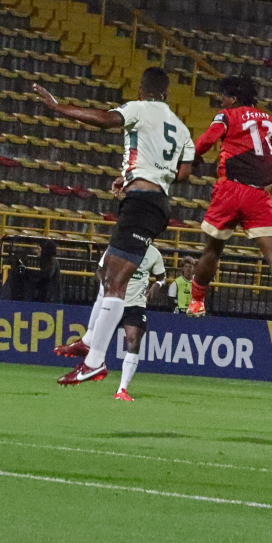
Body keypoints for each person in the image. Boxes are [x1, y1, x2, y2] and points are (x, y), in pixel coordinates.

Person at [33, 67, 193, 386]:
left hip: (143, 205)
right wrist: (141, 174)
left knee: (116, 282)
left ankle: (94, 361)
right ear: (167, 93)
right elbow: (185, 172)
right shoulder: (182, 128)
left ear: (141, 89)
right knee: (107, 270)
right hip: (154, 203)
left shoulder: (138, 108)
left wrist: (58, 106)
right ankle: (90, 339)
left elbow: (105, 119)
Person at [185, 75, 272, 335]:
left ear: (233, 99)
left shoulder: (227, 115)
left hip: (230, 190)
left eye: (223, 96)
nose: (220, 101)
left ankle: (196, 301)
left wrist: (190, 158)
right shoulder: (270, 120)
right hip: (259, 196)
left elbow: (207, 139)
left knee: (212, 248)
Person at [57, 245, 165, 401]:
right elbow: (99, 271)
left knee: (133, 341)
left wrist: (158, 285)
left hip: (136, 305)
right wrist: (108, 287)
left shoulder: (154, 254)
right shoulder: (116, 248)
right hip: (114, 302)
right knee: (95, 342)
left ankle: (122, 389)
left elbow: (162, 276)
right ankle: (84, 369)